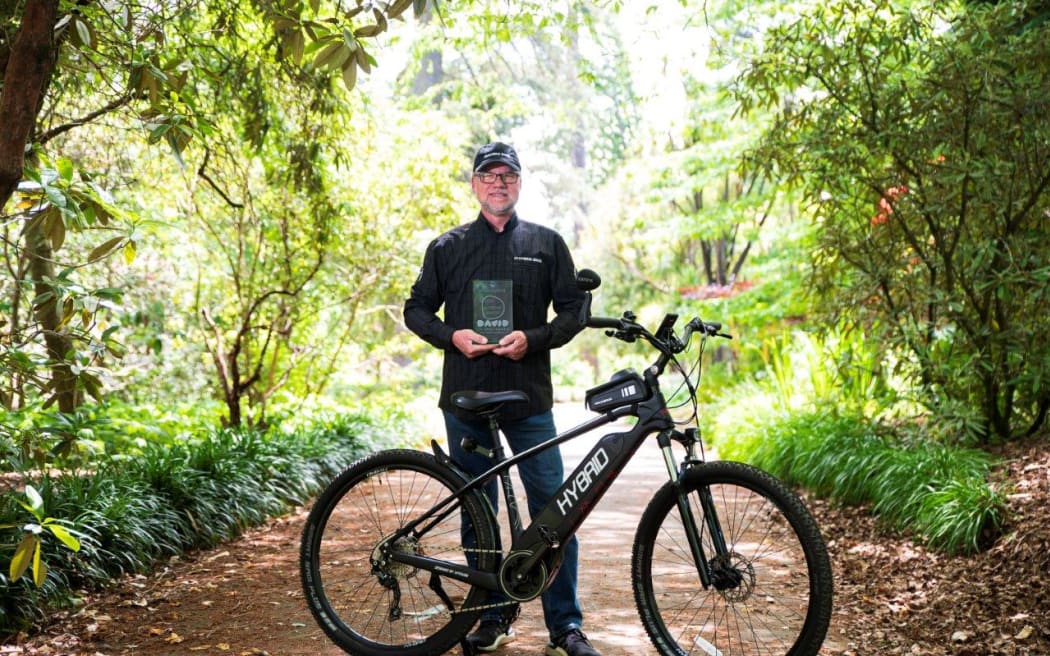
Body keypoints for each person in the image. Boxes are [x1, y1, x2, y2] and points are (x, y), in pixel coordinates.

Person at [403, 142, 601, 656]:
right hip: (466, 401)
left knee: (555, 511)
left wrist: (532, 339)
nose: (498, 183)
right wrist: (452, 336)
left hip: (528, 399)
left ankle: (566, 627)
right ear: (474, 185)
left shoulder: (547, 243)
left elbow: (573, 311)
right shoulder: (446, 247)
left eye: (507, 175)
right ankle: (490, 618)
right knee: (479, 516)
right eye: (488, 176)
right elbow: (417, 309)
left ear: (519, 183)